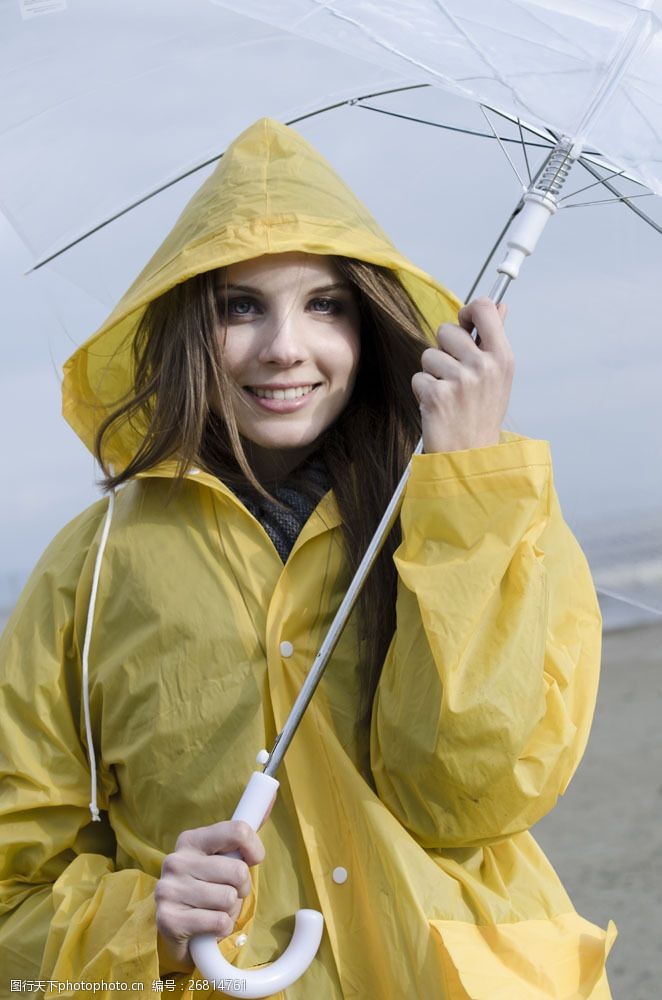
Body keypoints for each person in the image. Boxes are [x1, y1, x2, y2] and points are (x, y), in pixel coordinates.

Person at [0, 118, 614, 998]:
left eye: (324, 304)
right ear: (186, 330)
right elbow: (12, 897)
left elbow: (475, 792)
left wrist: (468, 488)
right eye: (240, 307)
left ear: (370, 324)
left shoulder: (487, 498)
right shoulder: (89, 571)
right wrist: (150, 928)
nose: (284, 346)